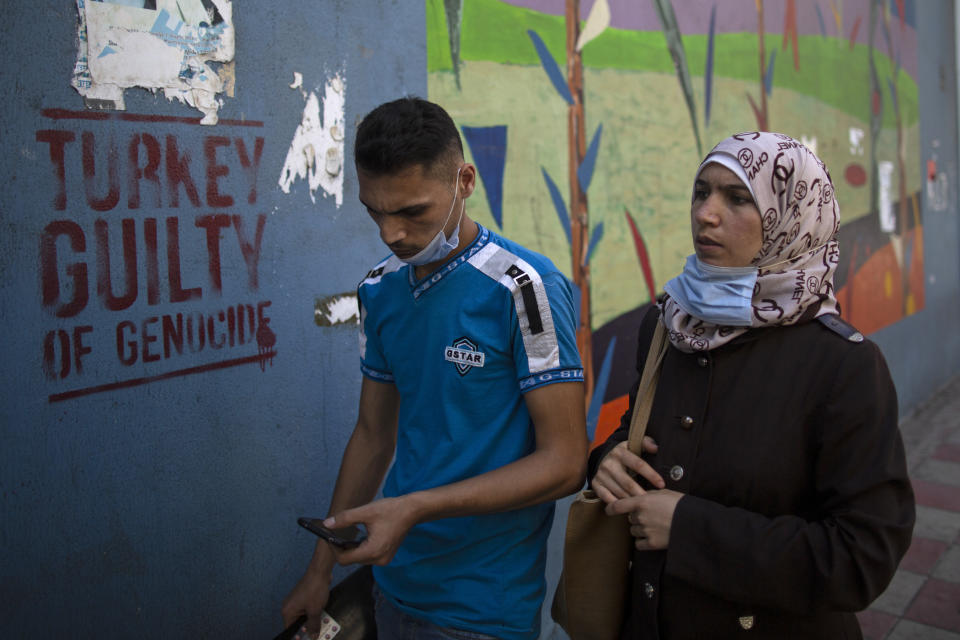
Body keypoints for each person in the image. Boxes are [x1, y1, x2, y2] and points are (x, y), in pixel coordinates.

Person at [281, 97, 588, 640]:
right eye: (374, 211)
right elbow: (374, 437)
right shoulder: (380, 289)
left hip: (481, 607)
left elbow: (565, 463)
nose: (390, 234)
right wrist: (320, 569)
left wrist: (413, 509)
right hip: (390, 581)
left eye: (412, 212)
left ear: (465, 180)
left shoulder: (526, 290)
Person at [589, 132, 915, 639]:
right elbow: (640, 431)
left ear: (792, 218)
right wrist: (607, 460)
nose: (706, 214)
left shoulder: (842, 365)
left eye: (737, 198)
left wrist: (690, 531)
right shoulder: (668, 326)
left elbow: (862, 556)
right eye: (701, 192)